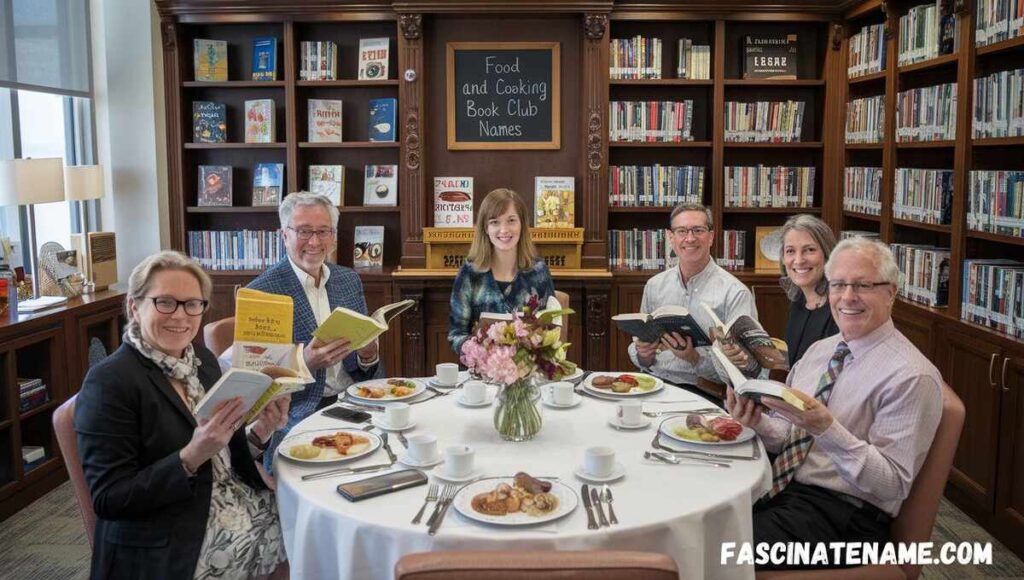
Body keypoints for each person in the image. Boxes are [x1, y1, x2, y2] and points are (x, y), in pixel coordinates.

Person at [726, 238, 943, 569]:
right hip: (787, 489)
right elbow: (791, 438)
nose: (847, 297)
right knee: (705, 519)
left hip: (847, 517)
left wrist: (826, 427)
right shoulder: (821, 351)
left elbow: (891, 484)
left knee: (721, 550)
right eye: (838, 285)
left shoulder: (911, 376)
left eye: (863, 285)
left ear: (891, 292)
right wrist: (757, 422)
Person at [75, 251, 289, 580]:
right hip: (169, 536)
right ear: (134, 307)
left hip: (227, 499)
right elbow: (109, 498)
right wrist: (189, 458)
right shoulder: (108, 382)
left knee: (307, 526)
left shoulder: (201, 360)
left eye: (192, 304)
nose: (180, 315)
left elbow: (223, 453)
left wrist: (261, 430)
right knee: (303, 543)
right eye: (165, 302)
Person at [248, 191, 384, 473]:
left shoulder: (348, 280)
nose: (314, 242)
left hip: (354, 402)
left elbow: (364, 369)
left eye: (323, 231)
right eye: (304, 231)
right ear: (284, 235)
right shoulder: (260, 293)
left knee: (393, 454)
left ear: (333, 236)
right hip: (298, 412)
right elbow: (256, 384)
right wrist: (304, 363)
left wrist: (368, 355)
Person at [627, 202, 758, 391]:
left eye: (698, 230)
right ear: (671, 237)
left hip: (706, 390)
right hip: (654, 383)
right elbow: (643, 356)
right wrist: (644, 355)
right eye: (681, 231)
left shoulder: (735, 293)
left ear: (711, 236)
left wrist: (694, 358)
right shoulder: (654, 285)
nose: (690, 238)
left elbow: (747, 367)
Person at [721, 214, 839, 372]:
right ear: (783, 258)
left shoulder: (841, 307)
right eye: (790, 251)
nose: (798, 260)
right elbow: (793, 364)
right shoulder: (798, 300)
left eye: (809, 250)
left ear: (827, 254)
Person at [448, 188, 555, 354]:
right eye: (495, 222)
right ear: (485, 228)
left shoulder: (539, 272)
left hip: (528, 367)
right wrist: (480, 352)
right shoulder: (469, 273)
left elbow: (550, 331)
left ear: (522, 224)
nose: (504, 229)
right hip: (481, 368)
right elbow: (456, 335)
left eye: (511, 220)